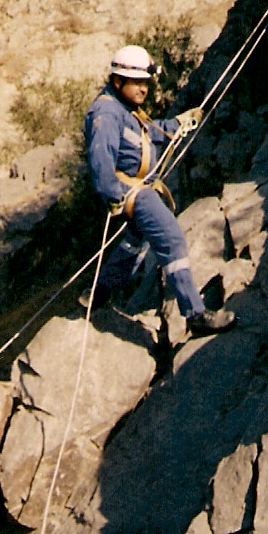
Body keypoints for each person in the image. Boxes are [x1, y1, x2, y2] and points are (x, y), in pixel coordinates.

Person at [81, 45, 236, 336]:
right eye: (137, 83)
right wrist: (118, 197)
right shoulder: (105, 113)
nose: (144, 89)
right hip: (133, 193)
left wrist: (178, 124)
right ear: (118, 82)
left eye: (146, 83)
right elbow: (101, 166)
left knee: (135, 244)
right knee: (172, 239)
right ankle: (195, 315)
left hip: (137, 191)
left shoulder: (125, 108)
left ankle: (97, 293)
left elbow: (150, 132)